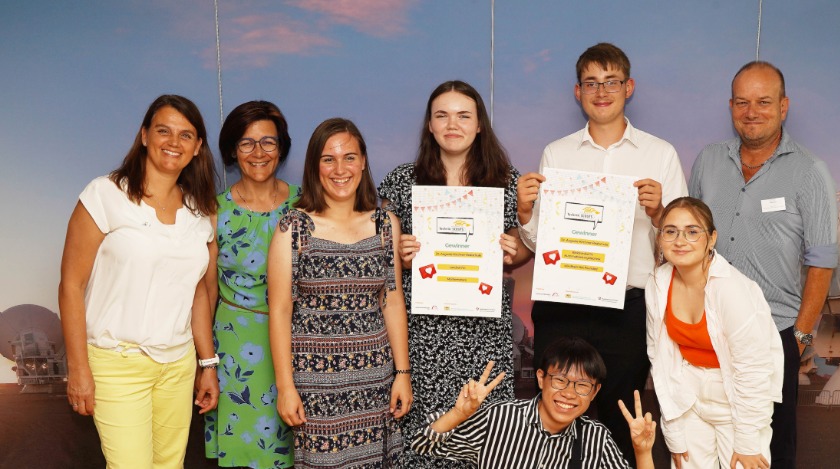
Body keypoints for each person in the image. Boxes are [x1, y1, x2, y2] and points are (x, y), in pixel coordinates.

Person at [516, 42, 687, 464]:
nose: (601, 91)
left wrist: (659, 211)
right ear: (578, 92)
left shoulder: (660, 153)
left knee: (620, 419)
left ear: (629, 87)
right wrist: (523, 211)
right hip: (563, 304)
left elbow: (683, 246)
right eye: (591, 83)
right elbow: (540, 243)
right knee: (552, 418)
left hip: (627, 309)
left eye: (611, 81)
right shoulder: (557, 153)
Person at [689, 61, 838, 469]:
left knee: (767, 449)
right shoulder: (708, 161)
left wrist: (800, 337)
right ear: (731, 106)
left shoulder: (810, 172)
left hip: (773, 335)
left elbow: (822, 261)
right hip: (705, 331)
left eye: (763, 102)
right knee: (705, 440)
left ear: (784, 106)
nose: (751, 111)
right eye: (742, 102)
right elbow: (687, 236)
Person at [58, 94, 219, 468]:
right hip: (117, 363)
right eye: (163, 130)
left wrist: (207, 363)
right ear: (145, 135)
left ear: (197, 148)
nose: (173, 142)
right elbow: (70, 286)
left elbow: (196, 293)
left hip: (178, 365)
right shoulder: (105, 194)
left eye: (185, 135)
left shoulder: (200, 211)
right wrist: (79, 369)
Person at [378, 80, 530, 467]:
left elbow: (520, 248)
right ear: (429, 125)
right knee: (421, 436)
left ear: (480, 125)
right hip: (421, 332)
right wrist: (399, 255)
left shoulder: (506, 182)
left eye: (464, 115)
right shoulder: (401, 181)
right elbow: (380, 254)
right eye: (441, 115)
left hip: (482, 332)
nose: (452, 124)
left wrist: (513, 250)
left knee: (487, 434)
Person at [268, 118, 412, 468]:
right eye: (328, 159)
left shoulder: (384, 225)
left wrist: (402, 374)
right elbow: (280, 311)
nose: (340, 168)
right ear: (314, 166)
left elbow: (392, 302)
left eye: (349, 157)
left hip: (374, 380)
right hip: (316, 385)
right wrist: (286, 388)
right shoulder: (294, 228)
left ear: (363, 161)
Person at [646, 197, 783, 469]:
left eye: (692, 231)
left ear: (712, 239)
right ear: (660, 238)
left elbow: (753, 369)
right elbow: (660, 360)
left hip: (737, 400)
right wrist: (673, 433)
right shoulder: (658, 283)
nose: (680, 240)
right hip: (689, 398)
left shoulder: (732, 289)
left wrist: (746, 441)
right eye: (670, 231)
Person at [202, 101, 299, 468]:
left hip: (296, 349)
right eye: (246, 143)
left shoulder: (305, 205)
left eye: (268, 142)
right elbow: (207, 293)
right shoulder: (214, 212)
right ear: (231, 150)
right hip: (236, 353)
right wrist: (207, 363)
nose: (258, 153)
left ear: (282, 148)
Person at [411, 336, 656, 469]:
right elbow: (422, 445)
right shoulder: (499, 418)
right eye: (560, 380)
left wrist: (642, 452)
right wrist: (457, 414)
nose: (569, 393)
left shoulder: (596, 438)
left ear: (594, 392)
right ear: (541, 378)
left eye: (582, 385)